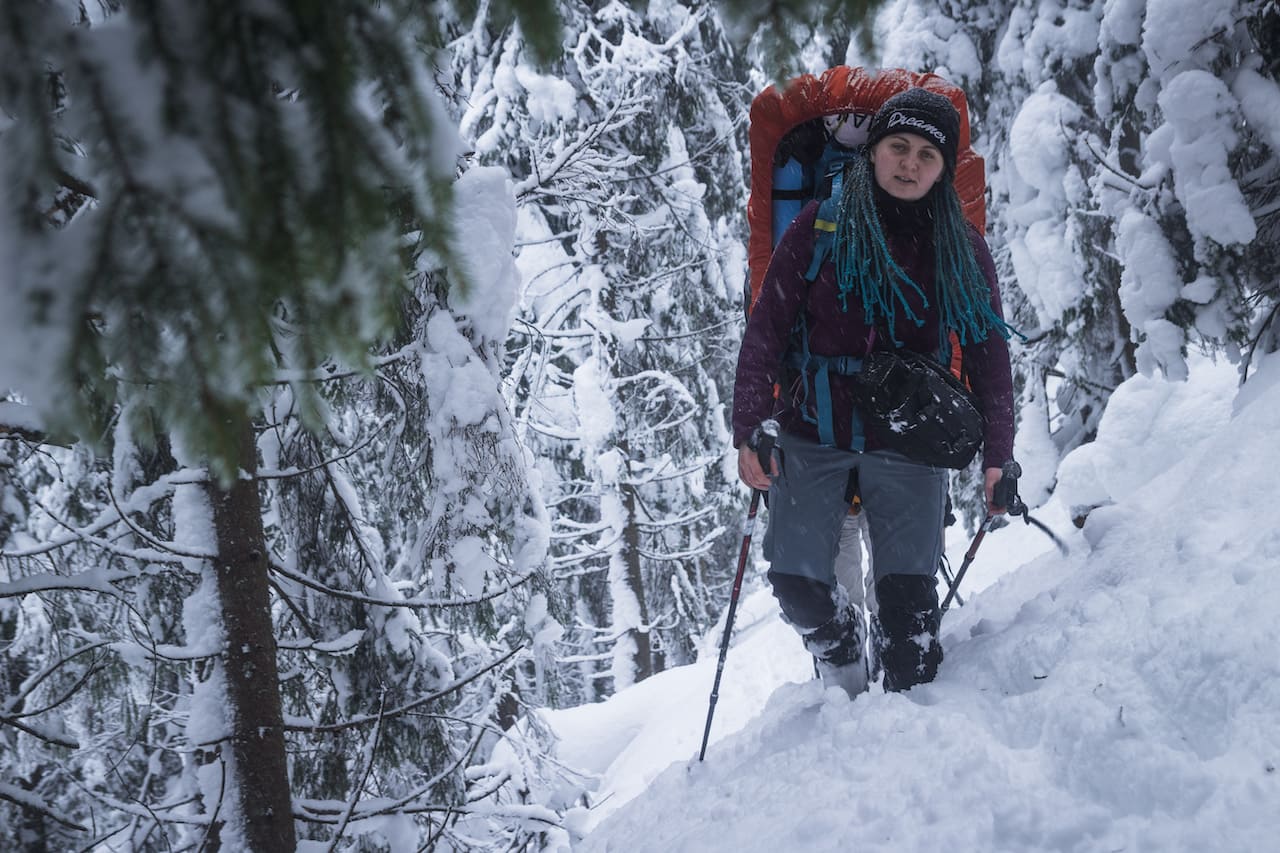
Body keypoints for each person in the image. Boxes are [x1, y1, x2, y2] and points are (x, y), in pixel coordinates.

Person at [733, 88, 1016, 696]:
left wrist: (998, 458)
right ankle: (839, 647)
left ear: (943, 169)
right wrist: (749, 428)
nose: (910, 163)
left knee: (910, 636)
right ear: (875, 150)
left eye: (926, 154)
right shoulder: (820, 226)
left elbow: (990, 356)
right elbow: (766, 331)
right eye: (897, 146)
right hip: (814, 429)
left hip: (908, 441)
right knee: (798, 586)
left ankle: (900, 701)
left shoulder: (959, 248)